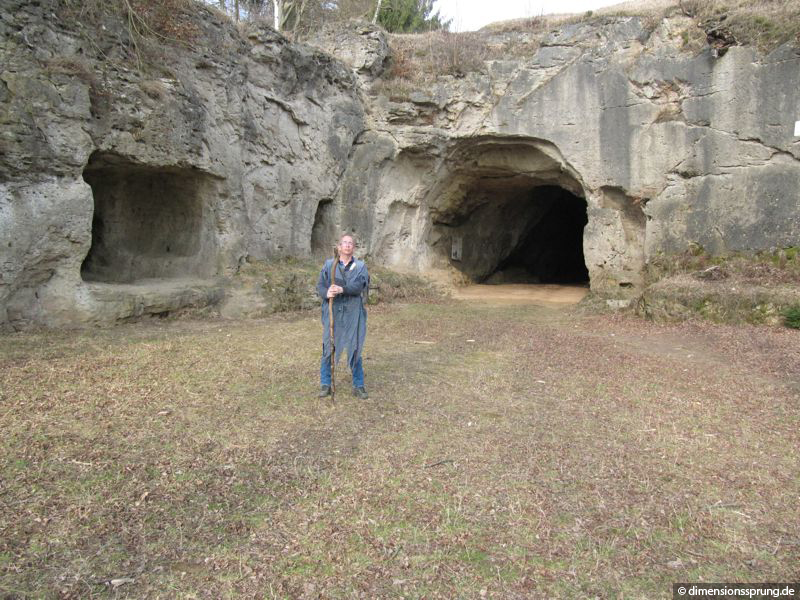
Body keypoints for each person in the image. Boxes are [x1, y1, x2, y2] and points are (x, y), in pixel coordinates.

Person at [316, 234, 369, 399]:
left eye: (350, 243)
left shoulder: (360, 266)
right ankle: (326, 384)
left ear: (353, 248)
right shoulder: (329, 265)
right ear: (339, 247)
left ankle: (358, 385)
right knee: (328, 346)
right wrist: (327, 292)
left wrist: (342, 289)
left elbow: (359, 285)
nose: (347, 245)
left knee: (355, 347)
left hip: (354, 312)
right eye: (344, 243)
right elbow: (320, 285)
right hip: (333, 311)